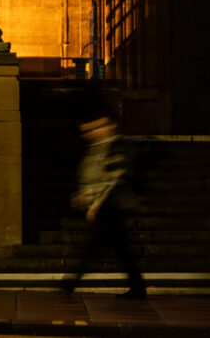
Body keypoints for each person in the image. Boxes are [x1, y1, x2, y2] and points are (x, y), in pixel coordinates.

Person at [63, 113, 146, 299]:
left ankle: (72, 281)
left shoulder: (116, 146)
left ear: (110, 127)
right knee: (120, 248)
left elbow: (111, 179)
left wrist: (95, 203)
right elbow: (93, 176)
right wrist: (85, 196)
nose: (93, 132)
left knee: (98, 246)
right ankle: (138, 287)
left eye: (97, 127)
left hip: (112, 204)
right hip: (108, 205)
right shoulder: (98, 147)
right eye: (89, 130)